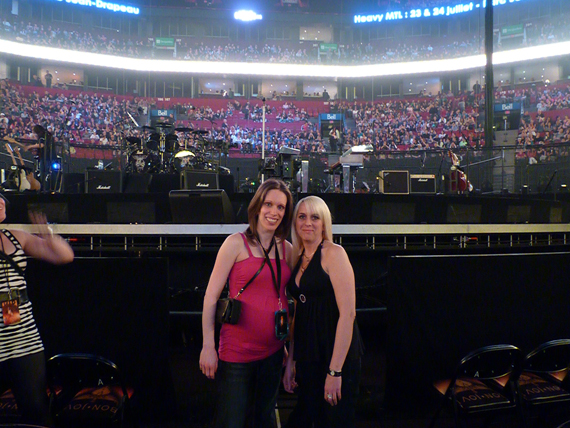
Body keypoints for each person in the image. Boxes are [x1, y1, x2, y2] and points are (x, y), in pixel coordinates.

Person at [199, 178, 294, 428]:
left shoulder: (288, 250)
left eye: (281, 207)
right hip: (236, 354)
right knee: (233, 420)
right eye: (269, 204)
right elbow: (210, 298)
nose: (274, 212)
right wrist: (208, 346)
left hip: (273, 354)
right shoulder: (234, 243)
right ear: (257, 206)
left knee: (264, 418)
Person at [283, 195, 363, 428]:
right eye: (302, 217)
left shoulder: (333, 253)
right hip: (309, 352)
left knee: (334, 420)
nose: (308, 222)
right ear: (295, 223)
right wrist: (291, 362)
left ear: (324, 222)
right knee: (308, 416)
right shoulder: (297, 256)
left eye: (315, 217)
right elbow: (298, 313)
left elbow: (348, 315)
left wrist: (335, 371)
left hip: (335, 352)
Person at [0, 194, 74, 426]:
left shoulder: (15, 236)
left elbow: (64, 256)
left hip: (24, 339)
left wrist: (48, 235)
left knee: (36, 410)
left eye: (1, 198)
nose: (1, 201)